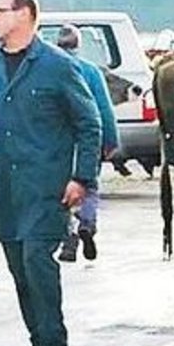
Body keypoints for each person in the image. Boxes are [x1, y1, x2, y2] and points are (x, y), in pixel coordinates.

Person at [0, 0, 101, 346]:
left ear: (25, 15)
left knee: (39, 264)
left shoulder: (57, 66)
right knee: (20, 270)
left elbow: (88, 123)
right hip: (5, 187)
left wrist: (82, 178)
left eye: (0, 11)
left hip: (46, 185)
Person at [54, 24, 120, 263]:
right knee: (88, 185)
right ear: (78, 45)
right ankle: (87, 225)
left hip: (59, 141)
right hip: (88, 140)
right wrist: (111, 140)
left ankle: (68, 236)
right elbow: (103, 108)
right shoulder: (91, 71)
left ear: (57, 44)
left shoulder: (51, 69)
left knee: (62, 188)